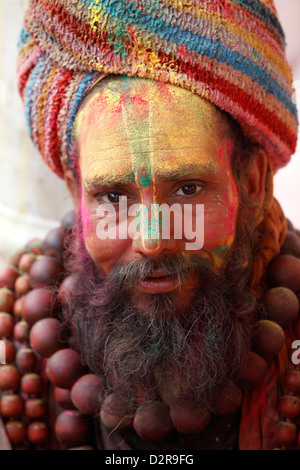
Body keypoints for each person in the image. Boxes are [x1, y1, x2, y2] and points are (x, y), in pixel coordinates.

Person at [0, 0, 299, 451]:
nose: (152, 240)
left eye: (187, 189)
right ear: (74, 190)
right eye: (113, 197)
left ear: (253, 182)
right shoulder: (11, 331)